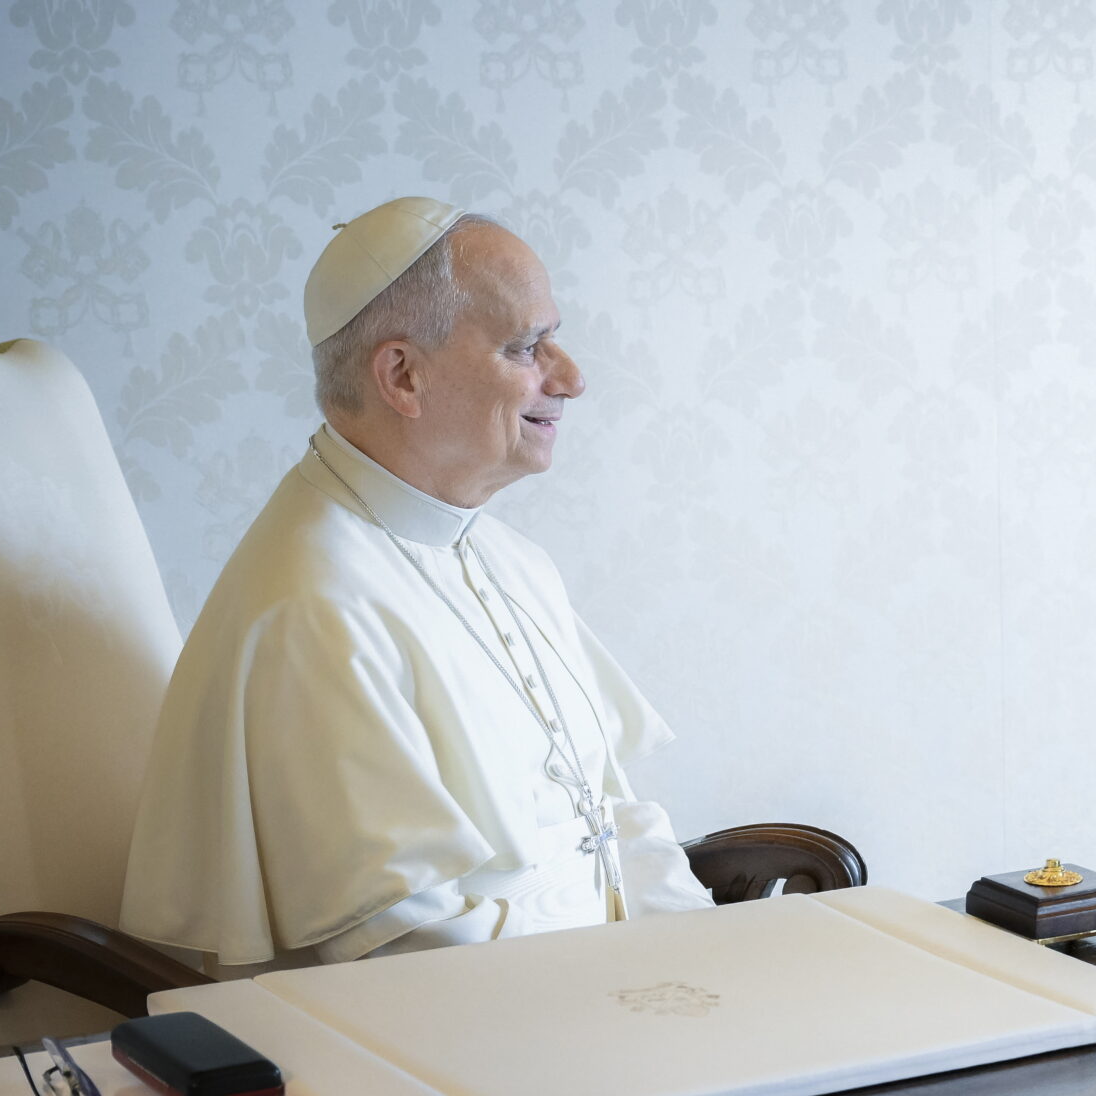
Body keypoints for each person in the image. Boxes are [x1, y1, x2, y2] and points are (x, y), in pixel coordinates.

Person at [122, 198, 715, 968]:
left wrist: (709, 957)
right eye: (526, 347)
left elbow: (612, 818)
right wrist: (630, 990)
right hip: (483, 1016)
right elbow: (406, 943)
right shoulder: (315, 606)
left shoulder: (512, 560)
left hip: (600, 990)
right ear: (403, 375)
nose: (571, 377)